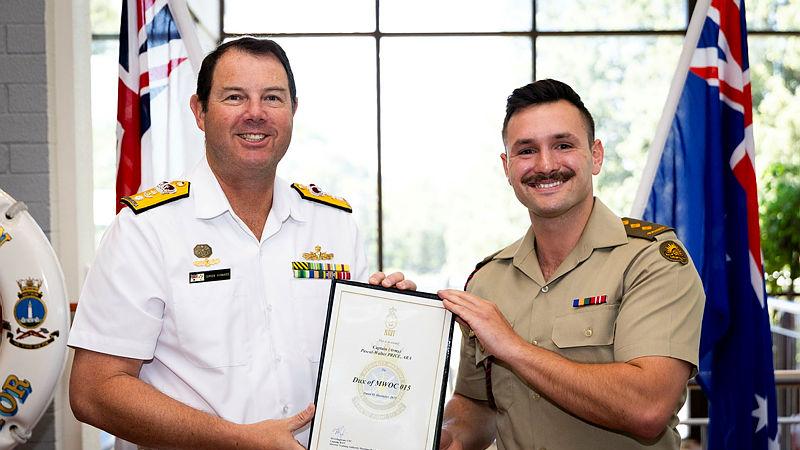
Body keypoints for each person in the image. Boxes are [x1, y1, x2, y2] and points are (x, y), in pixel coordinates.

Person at [68, 37, 412, 450]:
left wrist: (394, 320)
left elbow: (356, 365)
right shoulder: (146, 229)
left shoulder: (334, 225)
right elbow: (93, 390)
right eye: (235, 97)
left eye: (272, 97)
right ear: (200, 111)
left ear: (292, 111)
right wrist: (236, 439)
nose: (256, 114)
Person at [437, 79, 705, 450]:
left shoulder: (651, 261)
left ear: (595, 156)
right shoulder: (488, 281)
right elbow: (478, 407)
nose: (545, 165)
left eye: (563, 145)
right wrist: (437, 433)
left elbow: (648, 407)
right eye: (526, 151)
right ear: (507, 166)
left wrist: (513, 347)